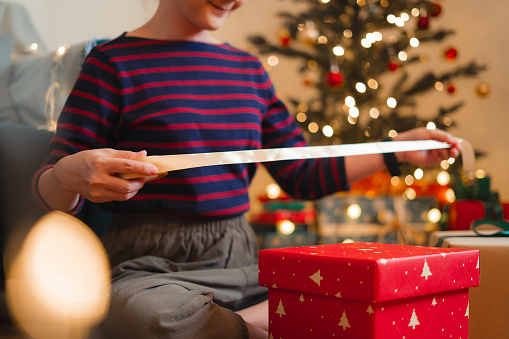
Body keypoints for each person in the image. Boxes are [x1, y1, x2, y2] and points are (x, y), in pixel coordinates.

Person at [33, 0, 461, 338]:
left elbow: (303, 175)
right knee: (141, 317)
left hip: (242, 258)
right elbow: (51, 188)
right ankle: (269, 322)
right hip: (148, 267)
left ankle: (249, 319)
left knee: (347, 284)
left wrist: (395, 150)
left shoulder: (248, 70)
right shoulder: (111, 64)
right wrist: (67, 174)